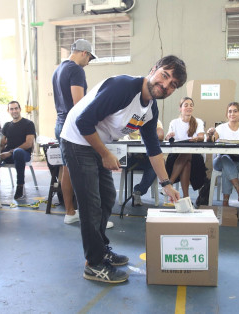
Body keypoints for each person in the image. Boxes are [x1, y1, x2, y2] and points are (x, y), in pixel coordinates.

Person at [60, 55, 187, 283]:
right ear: (153, 68)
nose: (166, 85)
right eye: (164, 76)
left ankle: (101, 248)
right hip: (76, 140)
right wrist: (105, 154)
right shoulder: (123, 88)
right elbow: (83, 122)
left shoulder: (150, 110)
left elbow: (153, 149)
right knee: (91, 205)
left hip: (97, 143)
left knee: (108, 197)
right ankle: (94, 264)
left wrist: (167, 184)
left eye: (173, 85)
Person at [52, 38, 96, 224]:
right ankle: (90, 217)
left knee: (67, 169)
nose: (88, 63)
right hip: (73, 127)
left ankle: (70, 211)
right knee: (84, 171)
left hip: (59, 124)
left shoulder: (58, 69)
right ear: (84, 53)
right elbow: (79, 103)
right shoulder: (76, 70)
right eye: (90, 59)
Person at [206, 102, 239, 205]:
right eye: (230, 111)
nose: (232, 114)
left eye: (235, 111)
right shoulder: (221, 128)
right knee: (225, 159)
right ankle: (238, 189)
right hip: (219, 161)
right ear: (226, 114)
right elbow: (211, 140)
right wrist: (209, 135)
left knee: (227, 167)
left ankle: (225, 201)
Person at [0, 101, 36, 199]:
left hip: (23, 154)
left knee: (18, 152)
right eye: (11, 109)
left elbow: (29, 143)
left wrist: (9, 152)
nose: (14, 111)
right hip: (8, 155)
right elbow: (2, 143)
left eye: (16, 108)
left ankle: (20, 186)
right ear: (8, 111)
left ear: (20, 109)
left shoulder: (28, 124)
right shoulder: (7, 125)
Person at [164, 97, 207, 198]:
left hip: (195, 157)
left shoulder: (198, 121)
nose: (189, 107)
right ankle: (186, 197)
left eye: (191, 105)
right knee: (186, 162)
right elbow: (167, 138)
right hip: (175, 156)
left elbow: (201, 136)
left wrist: (196, 139)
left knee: (187, 153)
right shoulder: (174, 122)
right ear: (180, 108)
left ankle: (169, 183)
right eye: (186, 105)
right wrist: (169, 136)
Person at [125, 120, 164, 206]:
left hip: (147, 156)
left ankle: (138, 191)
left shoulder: (155, 120)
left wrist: (146, 135)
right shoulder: (128, 119)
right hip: (131, 157)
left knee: (157, 163)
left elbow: (161, 135)